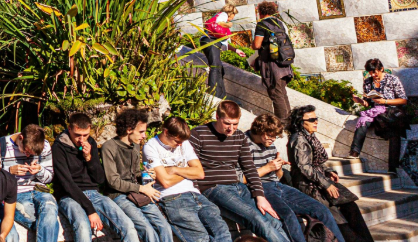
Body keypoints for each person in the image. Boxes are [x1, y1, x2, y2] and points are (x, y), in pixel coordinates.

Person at [188, 101, 287, 242]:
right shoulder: (198, 134)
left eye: (235, 124)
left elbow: (250, 168)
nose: (231, 129)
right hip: (214, 188)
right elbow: (192, 168)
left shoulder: (239, 136)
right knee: (257, 219)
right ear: (217, 116)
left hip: (238, 187)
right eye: (227, 123)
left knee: (274, 220)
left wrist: (260, 196)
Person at [247, 113, 345, 242]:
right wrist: (267, 168)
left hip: (278, 185)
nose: (273, 140)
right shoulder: (244, 144)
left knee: (321, 210)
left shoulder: (269, 143)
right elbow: (241, 178)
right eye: (271, 136)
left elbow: (278, 176)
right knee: (288, 216)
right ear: (261, 131)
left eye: (275, 137)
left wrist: (278, 168)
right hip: (260, 188)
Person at [288, 107, 374, 242]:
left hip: (319, 181)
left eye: (316, 119)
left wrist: (328, 172)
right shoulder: (299, 139)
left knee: (351, 207)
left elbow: (315, 162)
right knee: (337, 217)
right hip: (308, 186)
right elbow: (304, 167)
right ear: (300, 122)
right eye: (311, 120)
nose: (316, 122)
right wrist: (326, 184)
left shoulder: (309, 135)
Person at [52, 112, 139, 242]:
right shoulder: (58, 148)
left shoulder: (90, 142)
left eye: (85, 135)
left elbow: (99, 179)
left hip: (93, 193)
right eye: (77, 135)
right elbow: (67, 184)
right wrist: (90, 210)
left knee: (127, 226)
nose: (81, 139)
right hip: (69, 196)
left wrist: (89, 158)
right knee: (83, 226)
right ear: (69, 129)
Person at [142, 117, 231, 242]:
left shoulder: (184, 143)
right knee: (201, 239)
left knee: (222, 232)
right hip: (173, 198)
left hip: (196, 195)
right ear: (166, 132)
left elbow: (200, 173)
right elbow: (165, 182)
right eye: (176, 141)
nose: (179, 145)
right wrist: (187, 170)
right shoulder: (151, 147)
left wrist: (174, 169)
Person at [102, 108, 172, 242]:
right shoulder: (109, 147)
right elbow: (113, 181)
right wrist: (141, 188)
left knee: (164, 226)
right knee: (147, 230)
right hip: (118, 195)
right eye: (141, 131)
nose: (144, 135)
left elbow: (135, 173)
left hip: (136, 192)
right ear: (129, 129)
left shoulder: (134, 145)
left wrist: (146, 174)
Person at [0, 125, 57, 242]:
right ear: (21, 138)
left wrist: (40, 170)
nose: (28, 156)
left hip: (39, 190)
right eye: (26, 151)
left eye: (31, 154)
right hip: (15, 193)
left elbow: (49, 178)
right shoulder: (0, 145)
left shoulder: (45, 145)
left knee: (50, 207)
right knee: (48, 223)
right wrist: (9, 171)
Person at [348, 58, 407, 164]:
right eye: (370, 72)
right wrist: (359, 101)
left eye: (374, 72)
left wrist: (384, 101)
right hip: (375, 111)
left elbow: (403, 100)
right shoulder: (368, 82)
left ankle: (393, 167)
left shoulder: (392, 79)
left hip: (390, 111)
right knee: (363, 120)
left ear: (381, 69)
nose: (373, 75)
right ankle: (354, 152)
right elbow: (368, 103)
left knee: (394, 132)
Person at [253, 14, 292, 123]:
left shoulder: (262, 24)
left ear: (260, 13)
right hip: (284, 62)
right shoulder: (280, 23)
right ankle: (290, 122)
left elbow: (256, 45)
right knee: (282, 94)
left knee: (276, 94)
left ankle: (283, 124)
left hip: (272, 66)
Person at [204, 4, 234, 97]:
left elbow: (224, 42)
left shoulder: (218, 15)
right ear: (231, 13)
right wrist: (228, 24)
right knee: (215, 67)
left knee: (219, 68)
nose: (233, 18)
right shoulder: (224, 15)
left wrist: (235, 50)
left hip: (210, 41)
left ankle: (221, 94)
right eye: (233, 16)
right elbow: (219, 22)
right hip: (211, 41)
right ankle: (213, 94)